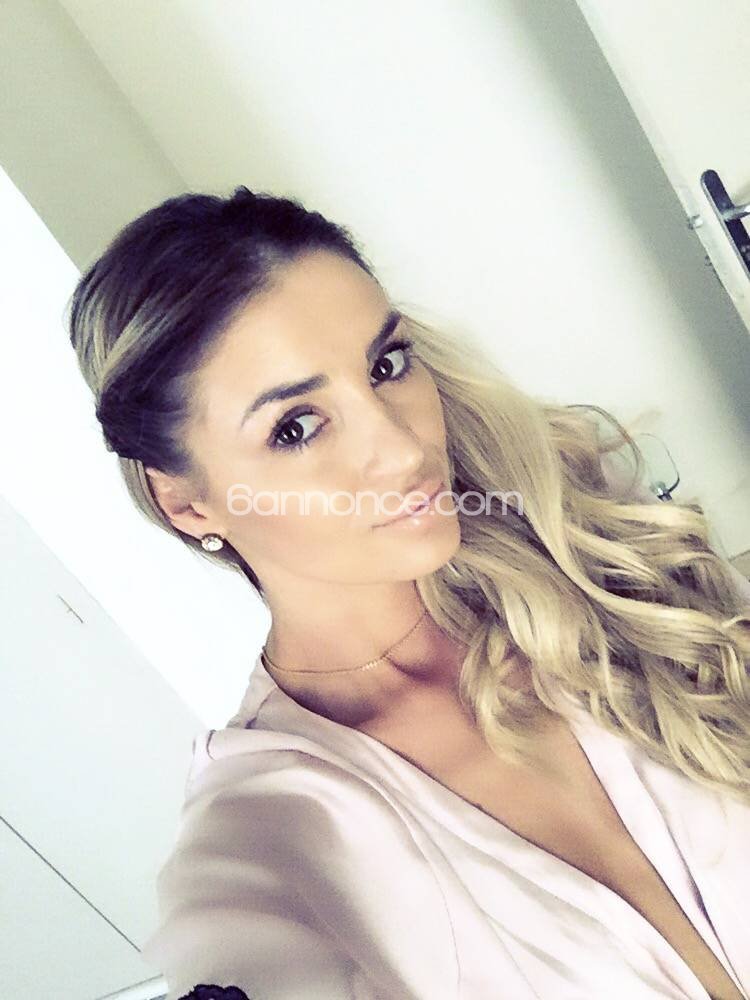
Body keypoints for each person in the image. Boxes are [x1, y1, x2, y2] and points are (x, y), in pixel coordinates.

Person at [66, 186, 750, 1000]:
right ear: (186, 502)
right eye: (296, 426)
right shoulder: (269, 838)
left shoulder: (592, 569)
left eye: (386, 366)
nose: (401, 449)